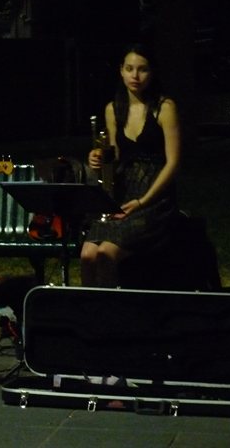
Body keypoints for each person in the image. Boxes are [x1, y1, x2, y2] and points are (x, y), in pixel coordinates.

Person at [81, 44, 181, 287]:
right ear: (121, 71)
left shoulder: (164, 108)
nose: (135, 76)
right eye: (129, 69)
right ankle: (87, 315)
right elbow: (113, 155)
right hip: (124, 195)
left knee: (105, 254)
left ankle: (111, 316)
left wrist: (144, 201)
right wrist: (97, 157)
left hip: (154, 199)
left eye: (142, 69)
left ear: (152, 72)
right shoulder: (113, 109)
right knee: (87, 254)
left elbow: (173, 162)